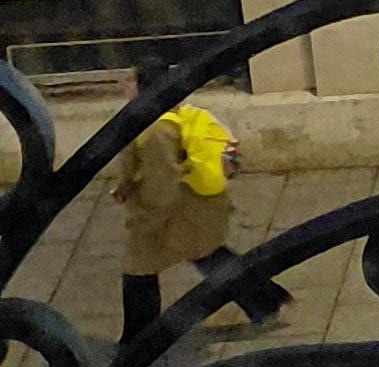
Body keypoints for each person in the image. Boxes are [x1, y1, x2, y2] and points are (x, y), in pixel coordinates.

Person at [114, 102, 290, 344]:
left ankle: (138, 340)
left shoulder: (156, 129)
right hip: (194, 207)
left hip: (176, 211)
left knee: (138, 270)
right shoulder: (168, 117)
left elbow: (161, 182)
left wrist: (145, 218)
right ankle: (267, 300)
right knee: (207, 255)